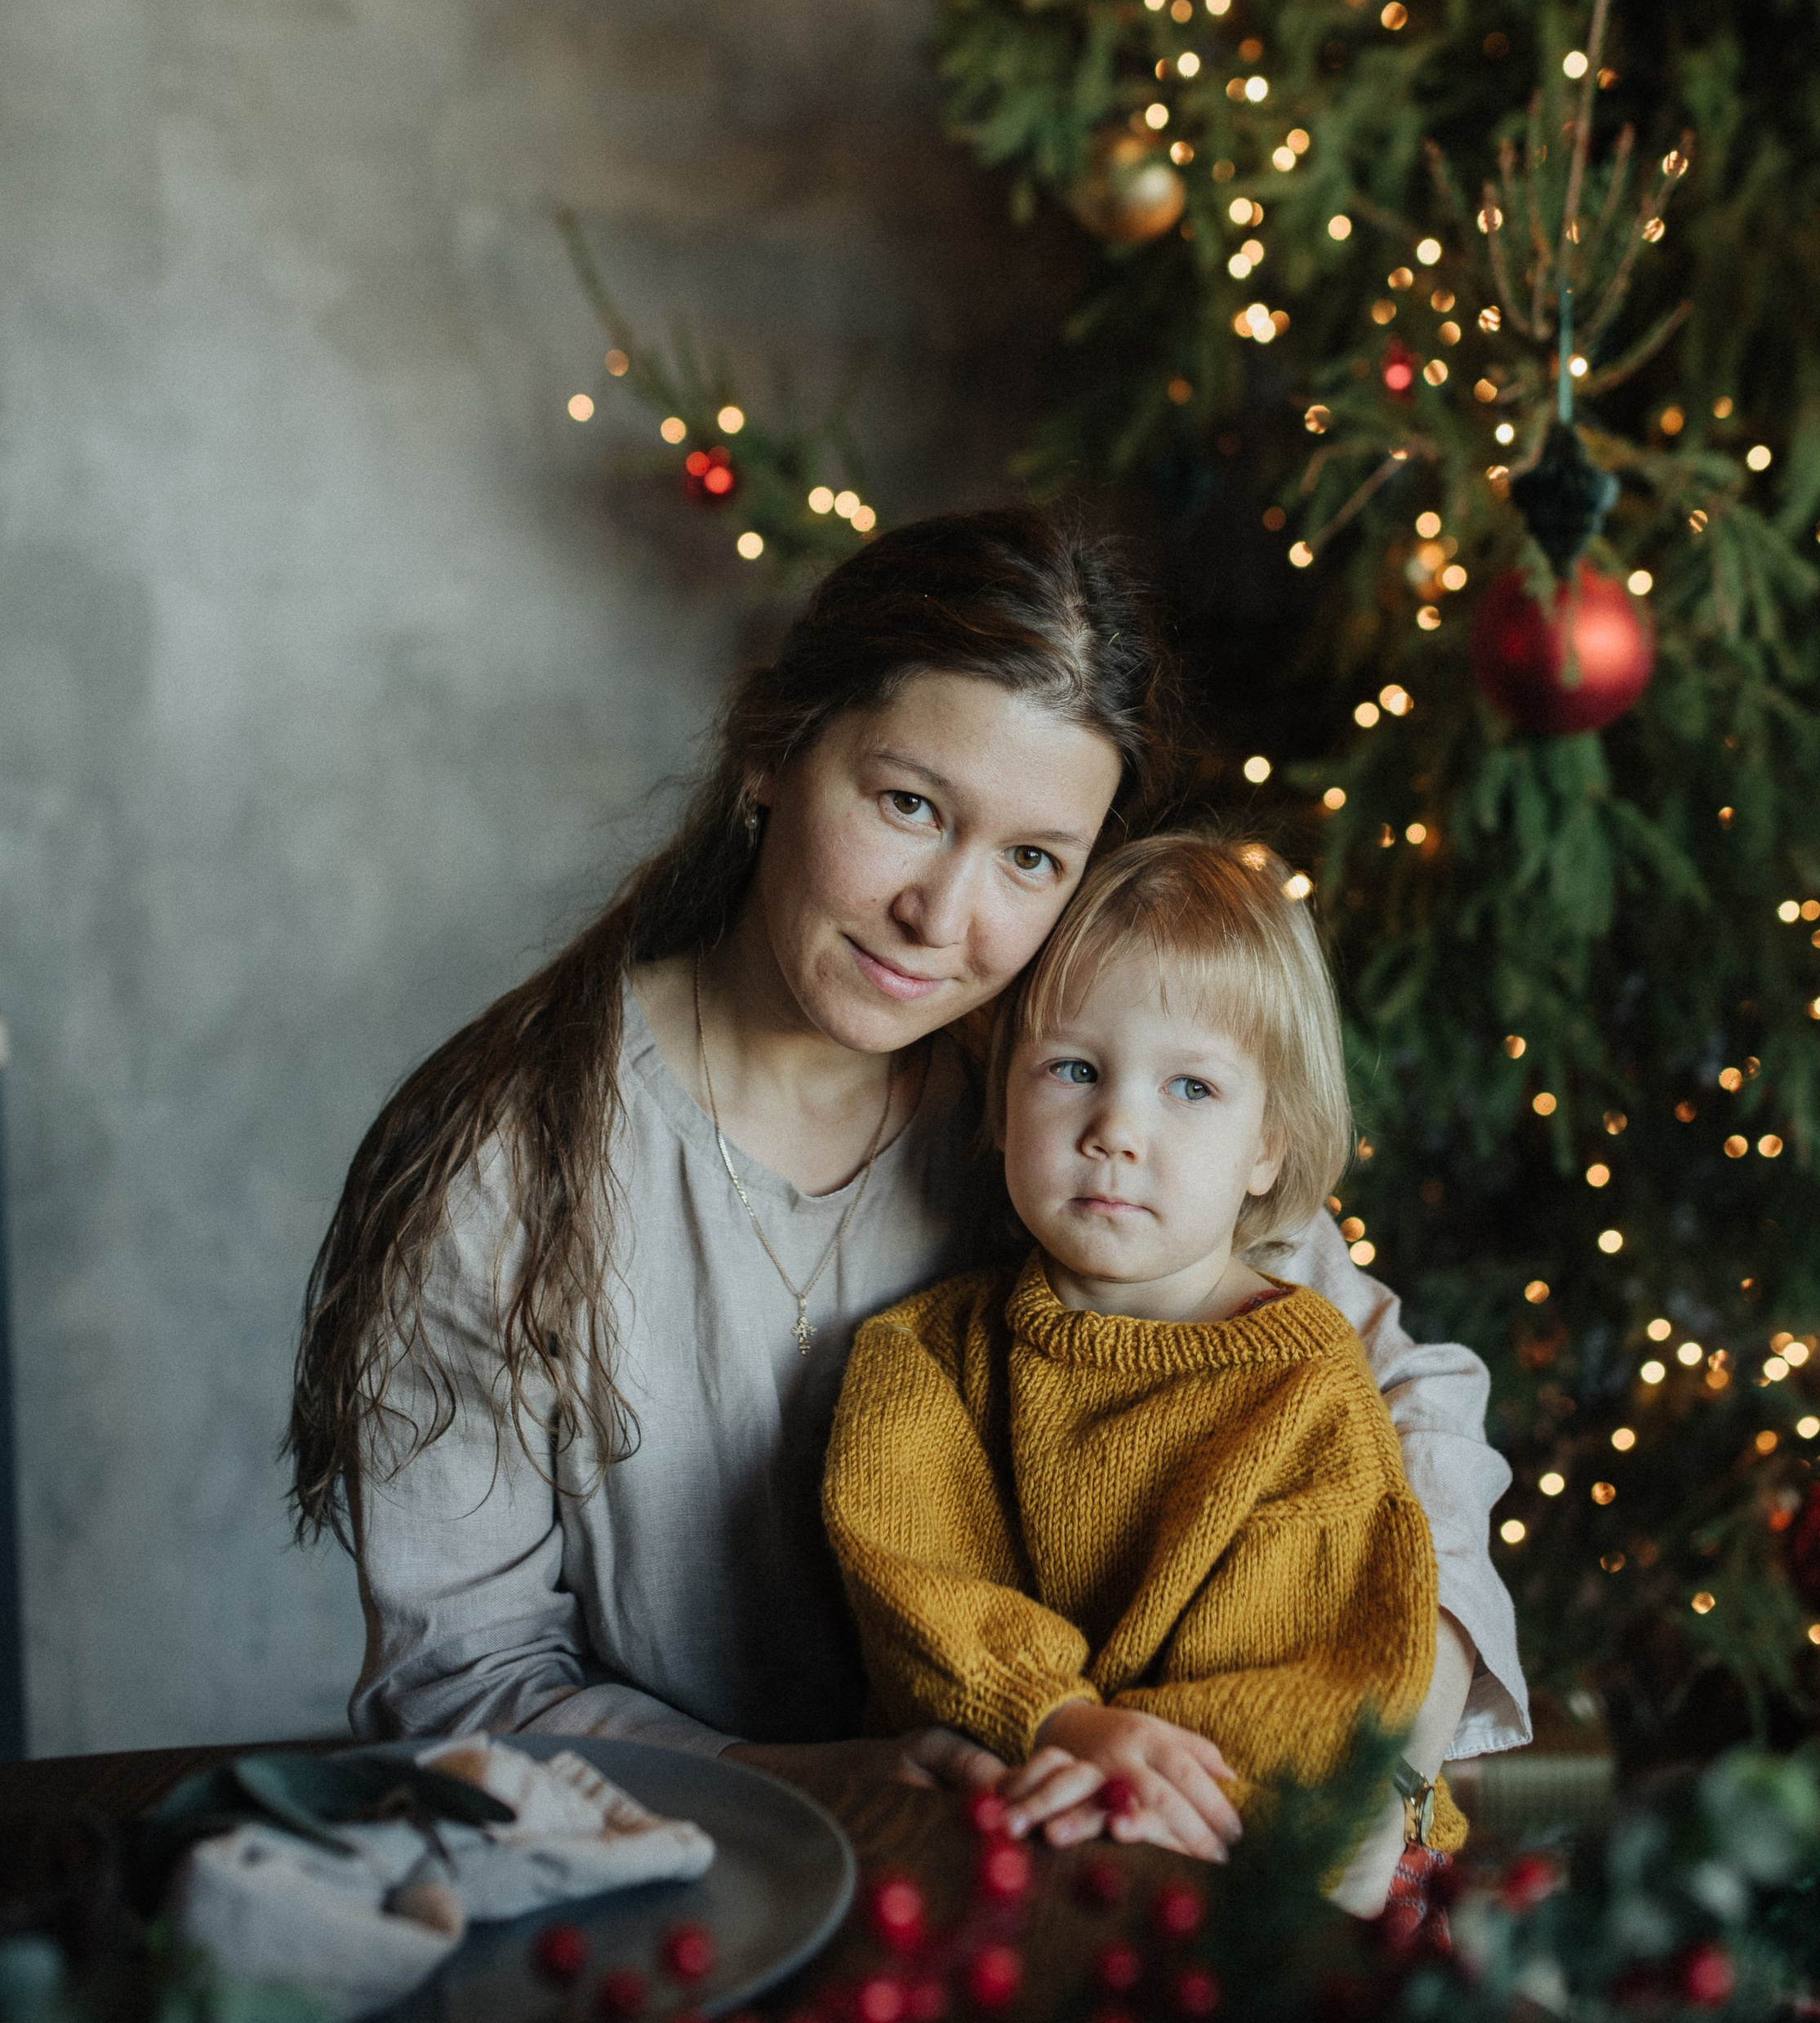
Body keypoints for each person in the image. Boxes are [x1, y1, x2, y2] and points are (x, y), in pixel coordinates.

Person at [288, 508, 1525, 1865]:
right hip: (694, 1881)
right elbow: (458, 1685)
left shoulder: (1062, 1096)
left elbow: (1394, 1380)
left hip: (1085, 1871)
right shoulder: (500, 1173)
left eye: (1032, 860)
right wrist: (820, 1779)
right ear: (772, 751)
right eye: (909, 807)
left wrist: (1380, 1739)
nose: (943, 917)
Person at [822, 831, 1461, 1892]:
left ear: (1270, 1145)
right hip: (1014, 1807)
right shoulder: (923, 1360)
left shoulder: (1305, 1390)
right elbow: (916, 1591)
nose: (1116, 1127)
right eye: (1073, 1070)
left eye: (1191, 1090)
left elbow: (1325, 1677)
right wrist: (1065, 1722)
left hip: (1236, 1849)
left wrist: (1140, 1787)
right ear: (1005, 1102)